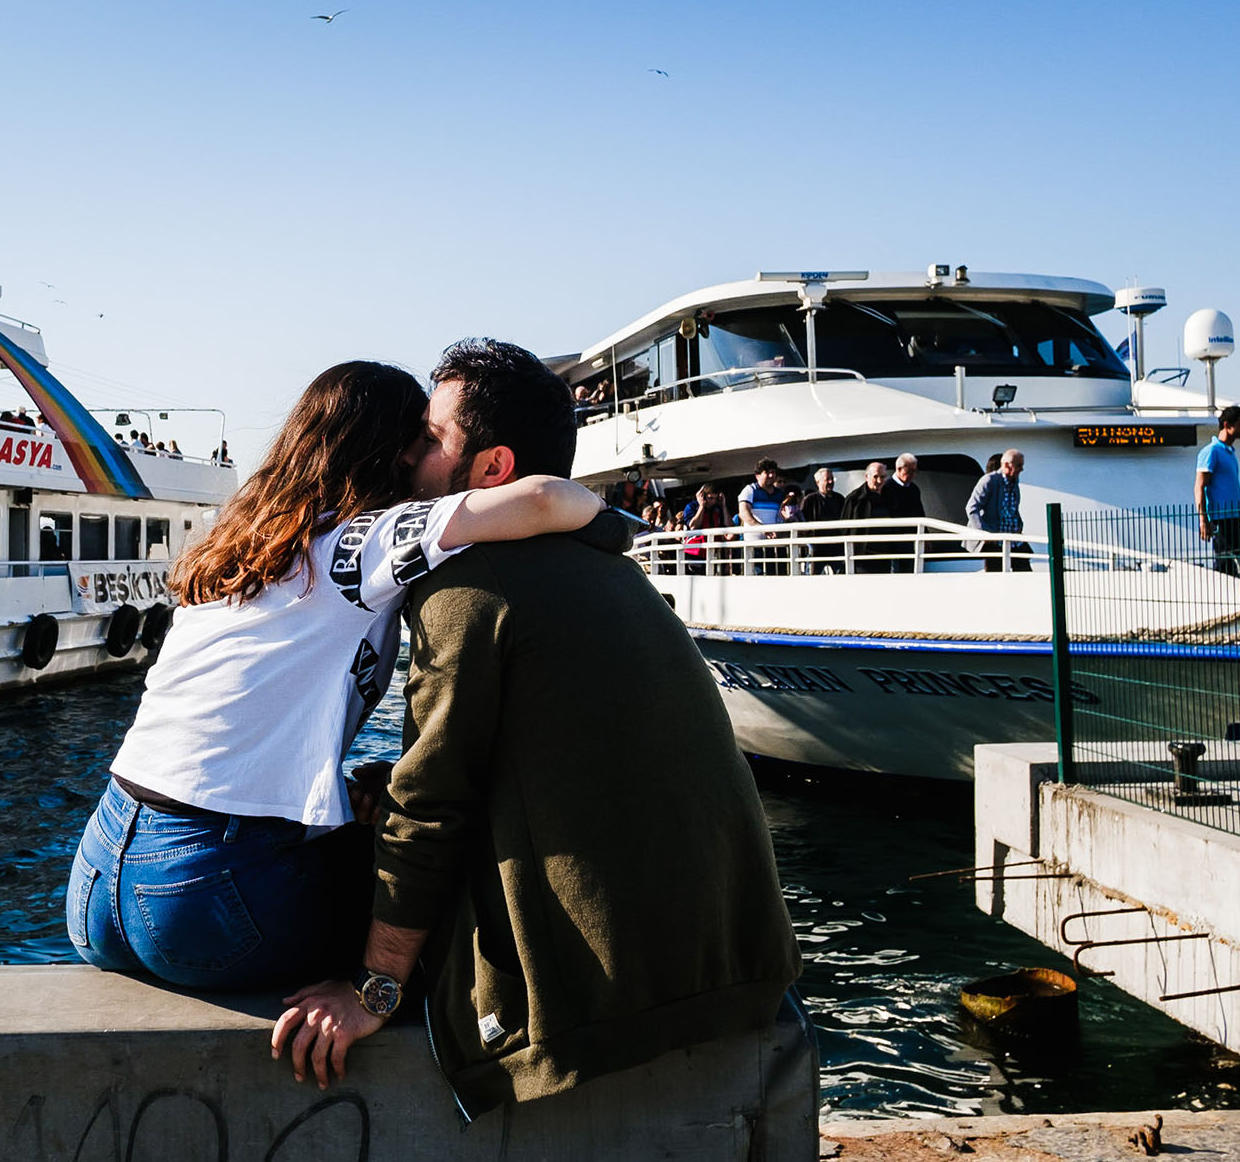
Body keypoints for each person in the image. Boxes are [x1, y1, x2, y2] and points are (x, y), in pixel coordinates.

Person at [271, 339, 810, 1138]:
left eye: (430, 439)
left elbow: (432, 807)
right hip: (739, 967)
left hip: (596, 1007)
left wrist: (374, 989)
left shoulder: (466, 590)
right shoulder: (615, 574)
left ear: (491, 470)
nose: (408, 455)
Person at [65, 361, 605, 993]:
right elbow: (542, 498)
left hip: (98, 880)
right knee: (438, 867)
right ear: (390, 452)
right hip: (208, 894)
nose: (422, 459)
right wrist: (616, 527)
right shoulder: (357, 546)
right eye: (421, 442)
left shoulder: (241, 547)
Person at [1196, 406, 1240, 577]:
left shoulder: (1230, 453)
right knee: (1226, 567)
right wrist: (1203, 519)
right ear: (1227, 425)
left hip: (1234, 518)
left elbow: (1231, 489)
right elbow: (1200, 486)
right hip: (1221, 521)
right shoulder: (1212, 452)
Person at [966, 448, 1030, 571]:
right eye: (1019, 465)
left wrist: (1019, 525)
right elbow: (972, 508)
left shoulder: (1014, 481)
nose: (1022, 469)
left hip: (1013, 538)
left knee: (1024, 571)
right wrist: (984, 533)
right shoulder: (989, 481)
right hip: (995, 540)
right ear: (1007, 465)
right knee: (995, 573)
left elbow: (1013, 508)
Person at [841, 461, 902, 572]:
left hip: (886, 556)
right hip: (862, 557)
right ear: (866, 476)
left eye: (882, 477)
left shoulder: (891, 496)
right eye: (875, 477)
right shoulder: (854, 499)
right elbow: (844, 529)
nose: (879, 481)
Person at [738, 458, 787, 576]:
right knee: (757, 577)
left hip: (773, 544)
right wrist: (762, 528)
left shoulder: (779, 494)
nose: (771, 475)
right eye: (767, 472)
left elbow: (781, 516)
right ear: (757, 476)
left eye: (773, 472)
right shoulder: (750, 490)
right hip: (754, 545)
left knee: (777, 576)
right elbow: (744, 512)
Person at [799, 467, 846, 574]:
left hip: (836, 548)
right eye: (827, 479)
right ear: (817, 482)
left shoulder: (839, 499)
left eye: (831, 479)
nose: (830, 482)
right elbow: (802, 522)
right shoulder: (809, 500)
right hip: (816, 549)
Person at [888, 453, 928, 572]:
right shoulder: (887, 488)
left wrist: (925, 535)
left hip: (912, 542)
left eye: (915, 471)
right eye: (910, 471)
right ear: (899, 469)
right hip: (894, 542)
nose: (913, 475)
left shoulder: (914, 489)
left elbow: (920, 512)